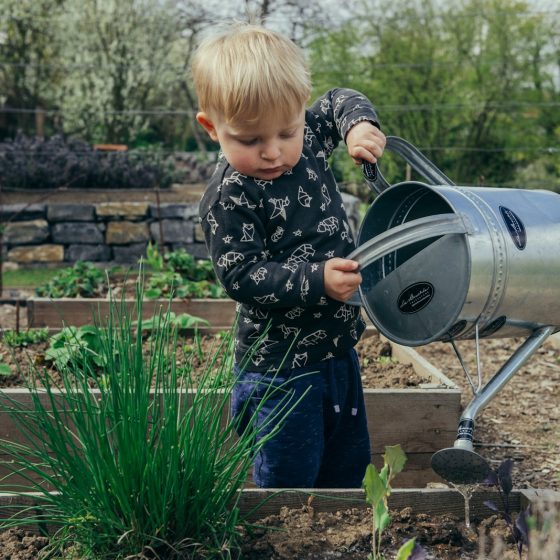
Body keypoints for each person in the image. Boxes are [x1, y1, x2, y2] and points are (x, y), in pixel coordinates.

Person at [192, 22, 386, 488]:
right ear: (211, 128)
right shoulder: (230, 197)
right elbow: (241, 274)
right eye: (249, 140)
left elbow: (340, 98)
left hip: (339, 352)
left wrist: (359, 126)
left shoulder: (312, 136)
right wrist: (317, 279)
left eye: (286, 131)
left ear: (300, 111)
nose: (273, 152)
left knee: (347, 467)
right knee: (289, 481)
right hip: (279, 371)